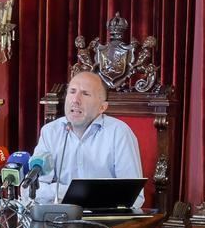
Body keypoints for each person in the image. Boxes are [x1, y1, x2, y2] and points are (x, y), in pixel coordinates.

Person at [31, 71, 144, 207]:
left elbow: (134, 196)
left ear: (102, 107)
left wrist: (63, 192)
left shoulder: (119, 133)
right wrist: (75, 192)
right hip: (60, 219)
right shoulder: (50, 132)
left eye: (85, 94)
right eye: (72, 92)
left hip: (106, 222)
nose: (75, 100)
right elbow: (32, 189)